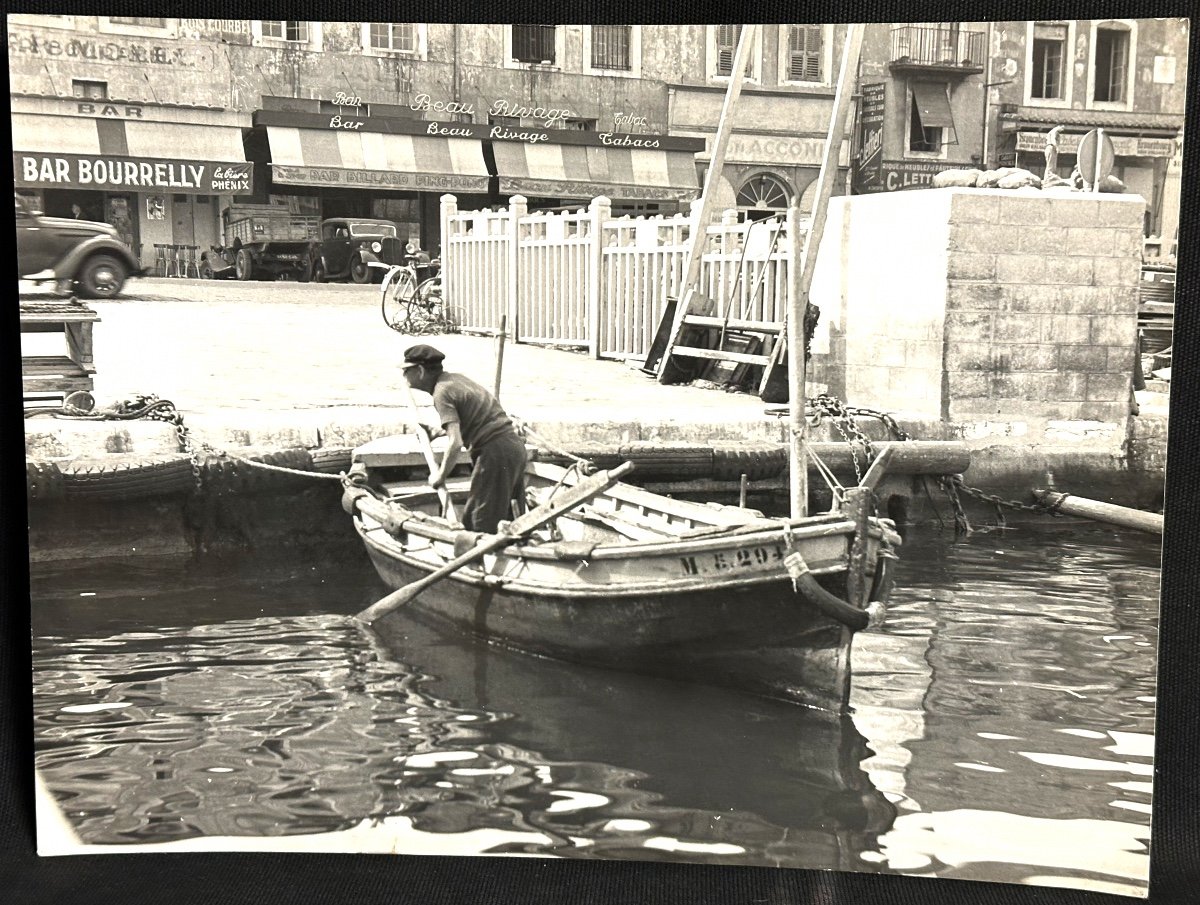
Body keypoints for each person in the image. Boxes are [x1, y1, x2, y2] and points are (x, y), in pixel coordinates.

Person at [401, 343, 527, 534]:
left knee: (479, 522)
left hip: (495, 453)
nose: (404, 377)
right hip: (513, 447)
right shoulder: (457, 380)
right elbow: (477, 418)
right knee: (511, 518)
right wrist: (438, 432)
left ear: (420, 371)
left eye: (406, 371)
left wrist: (440, 476)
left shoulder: (441, 393)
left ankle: (477, 561)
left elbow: (456, 443)